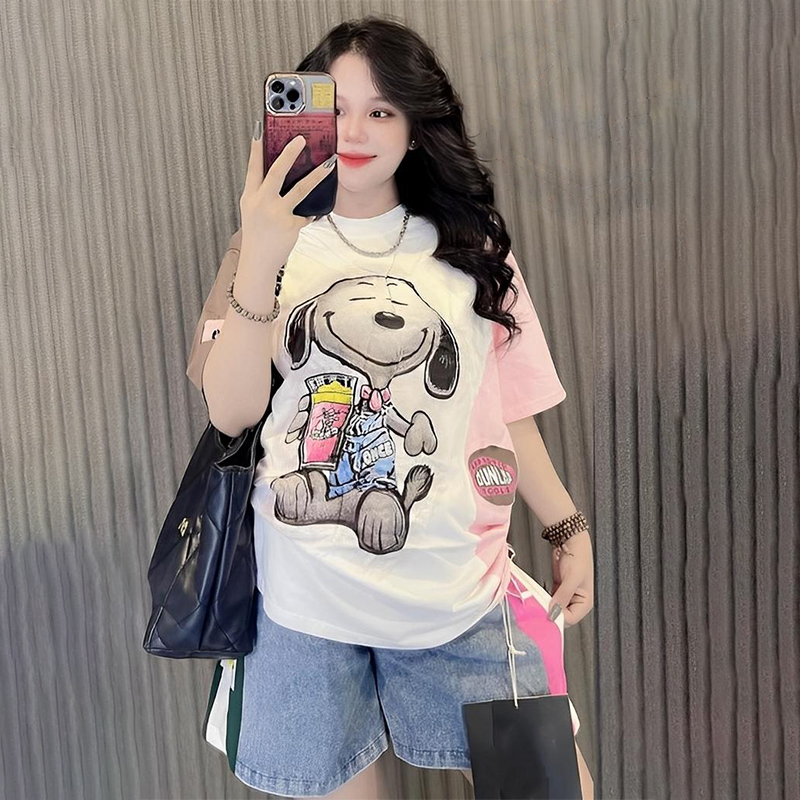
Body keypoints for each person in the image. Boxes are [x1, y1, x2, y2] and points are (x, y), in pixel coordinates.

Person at [188, 16, 594, 800]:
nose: (354, 131)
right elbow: (231, 413)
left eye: (380, 110)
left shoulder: (470, 246)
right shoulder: (261, 249)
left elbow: (506, 409)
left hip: (458, 595)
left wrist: (565, 526)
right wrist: (262, 248)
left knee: (546, 788)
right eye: (335, 108)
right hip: (303, 609)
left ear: (415, 126)